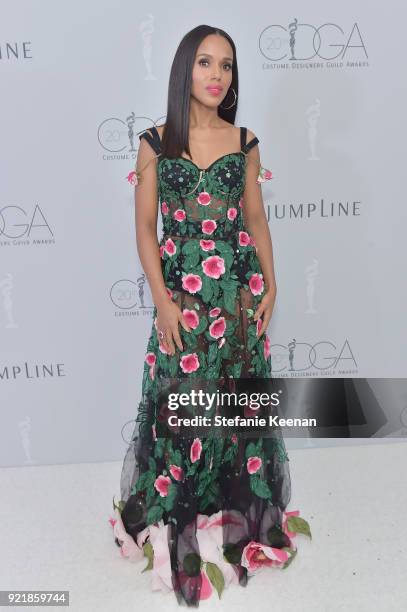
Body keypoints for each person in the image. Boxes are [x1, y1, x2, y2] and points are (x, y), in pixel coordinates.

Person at [109, 24, 311, 606]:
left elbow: (257, 220)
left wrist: (272, 283)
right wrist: (163, 301)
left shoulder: (245, 141)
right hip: (181, 299)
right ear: (183, 70)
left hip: (238, 301)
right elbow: (145, 230)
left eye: (226, 65)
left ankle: (230, 499)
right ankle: (180, 511)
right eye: (204, 63)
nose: (216, 75)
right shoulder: (154, 142)